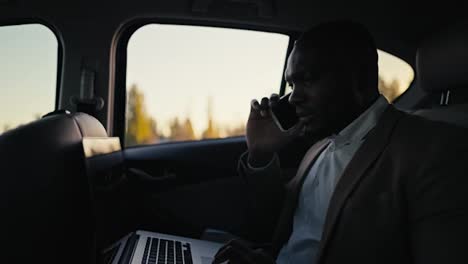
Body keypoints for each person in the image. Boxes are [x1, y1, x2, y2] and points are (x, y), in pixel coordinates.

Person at [212, 20, 468, 264]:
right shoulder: (319, 148)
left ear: (361, 79)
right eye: (292, 83)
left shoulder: (434, 151)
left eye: (308, 80)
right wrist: (260, 154)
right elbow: (280, 222)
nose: (292, 98)